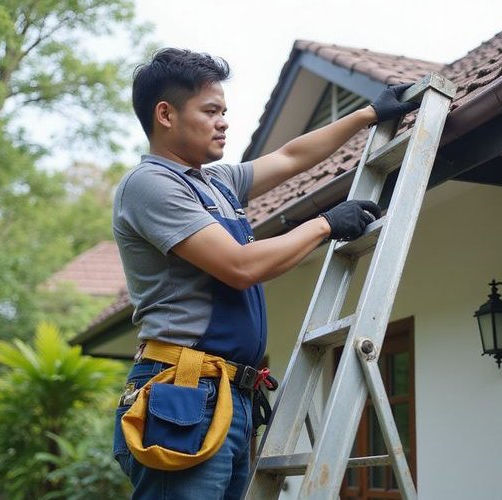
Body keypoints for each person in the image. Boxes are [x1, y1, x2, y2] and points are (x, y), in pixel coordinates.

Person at [111, 47, 419, 499]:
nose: (223, 121)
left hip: (230, 392)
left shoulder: (215, 183)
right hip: (186, 390)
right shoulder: (151, 185)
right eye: (210, 110)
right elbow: (240, 267)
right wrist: (325, 224)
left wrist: (369, 114)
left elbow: (291, 156)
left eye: (225, 111)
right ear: (165, 114)